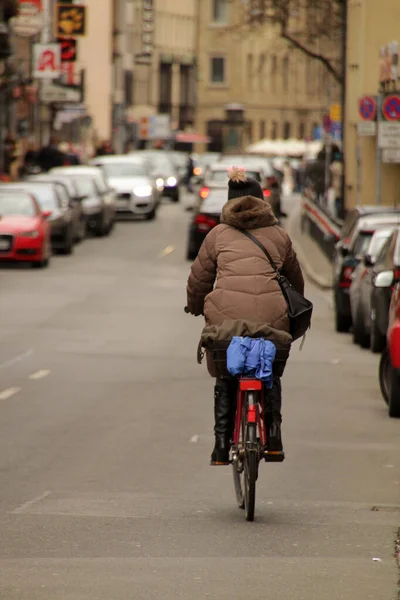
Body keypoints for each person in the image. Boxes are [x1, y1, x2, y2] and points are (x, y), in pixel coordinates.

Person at [186, 168, 305, 465]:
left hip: (226, 324)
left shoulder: (217, 235)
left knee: (226, 377)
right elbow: (296, 282)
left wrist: (195, 305)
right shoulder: (279, 236)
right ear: (262, 201)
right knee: (270, 374)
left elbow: (199, 279)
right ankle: (274, 439)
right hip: (272, 322)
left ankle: (220, 446)